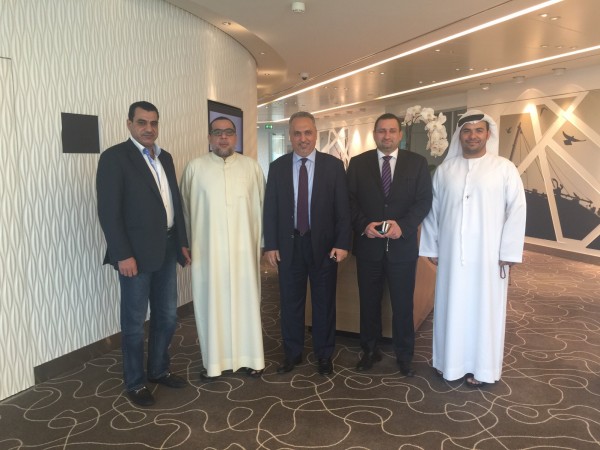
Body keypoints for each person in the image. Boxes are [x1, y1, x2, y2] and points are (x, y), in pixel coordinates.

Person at [419, 109, 527, 387]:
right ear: (460, 135)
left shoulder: (504, 168)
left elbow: (517, 210)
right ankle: (448, 363)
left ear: (488, 134)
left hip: (489, 257)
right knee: (450, 307)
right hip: (452, 256)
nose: (473, 136)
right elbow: (433, 212)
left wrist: (508, 252)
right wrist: (432, 246)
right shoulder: (445, 171)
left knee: (484, 310)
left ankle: (482, 368)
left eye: (479, 130)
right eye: (467, 131)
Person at [96, 101, 191, 406]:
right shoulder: (114, 158)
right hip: (134, 256)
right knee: (135, 324)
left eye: (153, 123)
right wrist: (122, 254)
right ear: (129, 124)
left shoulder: (166, 158)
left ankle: (159, 370)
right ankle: (135, 382)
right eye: (142, 122)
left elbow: (174, 203)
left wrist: (182, 242)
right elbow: (109, 212)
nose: (149, 128)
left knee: (167, 317)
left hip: (166, 249)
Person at [263, 111, 351, 376]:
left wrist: (342, 242)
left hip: (324, 247)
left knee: (324, 303)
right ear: (290, 136)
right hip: (289, 246)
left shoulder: (333, 166)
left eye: (308, 132)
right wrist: (270, 244)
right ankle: (292, 353)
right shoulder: (277, 167)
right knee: (290, 303)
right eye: (297, 133)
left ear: (315, 134)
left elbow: (343, 209)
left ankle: (324, 354)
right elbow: (270, 209)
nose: (303, 138)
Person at [347, 112, 432, 377]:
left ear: (400, 134)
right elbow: (349, 200)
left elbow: (424, 201)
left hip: (402, 249)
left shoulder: (417, 164)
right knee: (368, 304)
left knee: (403, 306)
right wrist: (364, 225)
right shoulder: (358, 164)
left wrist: (403, 226)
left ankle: (405, 356)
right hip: (369, 247)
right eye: (382, 131)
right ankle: (369, 351)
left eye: (392, 131)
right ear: (375, 134)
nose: (387, 135)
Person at [180, 116, 265, 380]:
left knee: (246, 303)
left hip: (244, 253)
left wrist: (263, 245)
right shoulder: (195, 168)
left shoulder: (251, 168)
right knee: (212, 305)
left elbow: (262, 208)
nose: (223, 137)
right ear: (209, 137)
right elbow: (184, 212)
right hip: (208, 253)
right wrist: (185, 244)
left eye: (229, 132)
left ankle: (252, 358)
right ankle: (214, 363)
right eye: (217, 133)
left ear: (236, 137)